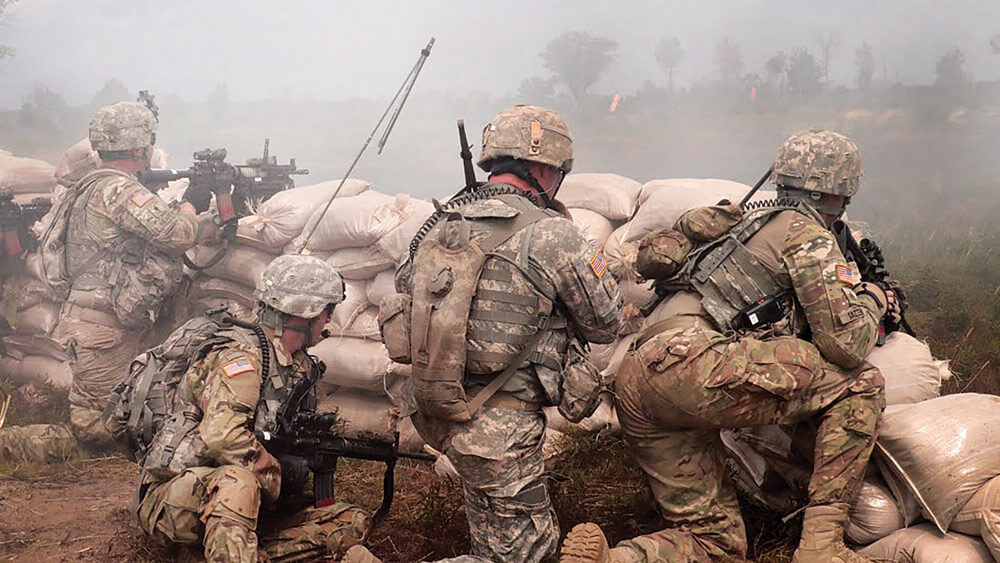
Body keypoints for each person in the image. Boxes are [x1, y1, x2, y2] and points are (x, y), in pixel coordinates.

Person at [561, 130, 898, 563]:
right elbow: (846, 345)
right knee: (860, 383)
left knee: (716, 543)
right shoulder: (807, 233)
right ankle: (821, 547)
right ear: (840, 192)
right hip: (694, 366)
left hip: (637, 382)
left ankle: (613, 560)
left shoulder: (734, 227)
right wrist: (872, 298)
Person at [347, 105, 624, 563]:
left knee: (497, 533)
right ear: (541, 168)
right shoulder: (553, 234)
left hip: (436, 407)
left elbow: (404, 292)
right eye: (555, 171)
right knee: (523, 560)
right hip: (500, 425)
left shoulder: (440, 225)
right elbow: (605, 323)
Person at [0, 101, 218, 461]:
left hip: (95, 323)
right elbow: (176, 233)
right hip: (103, 330)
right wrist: (197, 211)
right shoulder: (118, 190)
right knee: (101, 434)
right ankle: (10, 446)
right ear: (137, 147)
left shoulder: (90, 185)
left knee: (114, 420)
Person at [134, 254, 369, 562]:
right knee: (239, 484)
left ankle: (236, 553)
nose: (329, 320)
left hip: (242, 505)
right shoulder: (243, 360)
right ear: (306, 313)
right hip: (177, 496)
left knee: (350, 522)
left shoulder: (296, 366)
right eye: (327, 310)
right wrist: (278, 475)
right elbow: (222, 436)